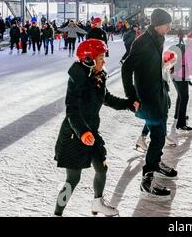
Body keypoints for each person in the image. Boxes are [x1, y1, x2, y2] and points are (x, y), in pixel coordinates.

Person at [54, 39, 135, 216]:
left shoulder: (99, 76)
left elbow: (106, 98)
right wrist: (82, 132)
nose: (104, 61)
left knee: (101, 168)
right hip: (75, 134)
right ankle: (57, 213)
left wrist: (128, 104)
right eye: (100, 57)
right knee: (72, 180)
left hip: (91, 131)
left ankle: (97, 203)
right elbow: (72, 110)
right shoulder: (78, 78)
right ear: (88, 60)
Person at [122, 8, 177, 200]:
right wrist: (131, 96)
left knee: (159, 135)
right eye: (167, 24)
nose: (170, 27)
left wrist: (163, 70)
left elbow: (151, 64)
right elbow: (126, 67)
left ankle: (156, 162)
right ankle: (148, 177)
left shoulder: (157, 39)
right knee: (158, 137)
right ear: (158, 24)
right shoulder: (143, 41)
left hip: (159, 93)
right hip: (148, 97)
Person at [135, 50, 179, 151]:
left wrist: (166, 98)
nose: (172, 65)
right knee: (154, 118)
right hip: (153, 99)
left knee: (160, 117)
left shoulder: (163, 68)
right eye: (171, 62)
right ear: (166, 60)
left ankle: (157, 135)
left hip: (161, 98)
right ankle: (147, 137)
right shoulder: (156, 69)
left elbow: (165, 85)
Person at [170, 32, 192, 132]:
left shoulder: (184, 46)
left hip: (174, 74)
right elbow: (191, 68)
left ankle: (178, 116)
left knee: (180, 96)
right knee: (184, 97)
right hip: (180, 75)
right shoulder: (189, 50)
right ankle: (181, 123)